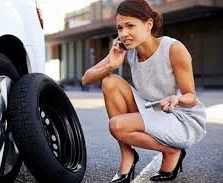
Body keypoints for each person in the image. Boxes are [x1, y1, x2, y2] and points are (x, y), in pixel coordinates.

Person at [81, 0, 207, 182]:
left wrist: (176, 99)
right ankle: (128, 156)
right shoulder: (126, 50)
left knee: (117, 125)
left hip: (180, 117)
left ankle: (171, 151)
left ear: (149, 24)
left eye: (130, 26)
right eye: (120, 28)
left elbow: (191, 97)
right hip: (153, 109)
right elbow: (86, 79)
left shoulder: (173, 49)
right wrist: (112, 64)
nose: (124, 34)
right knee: (109, 81)